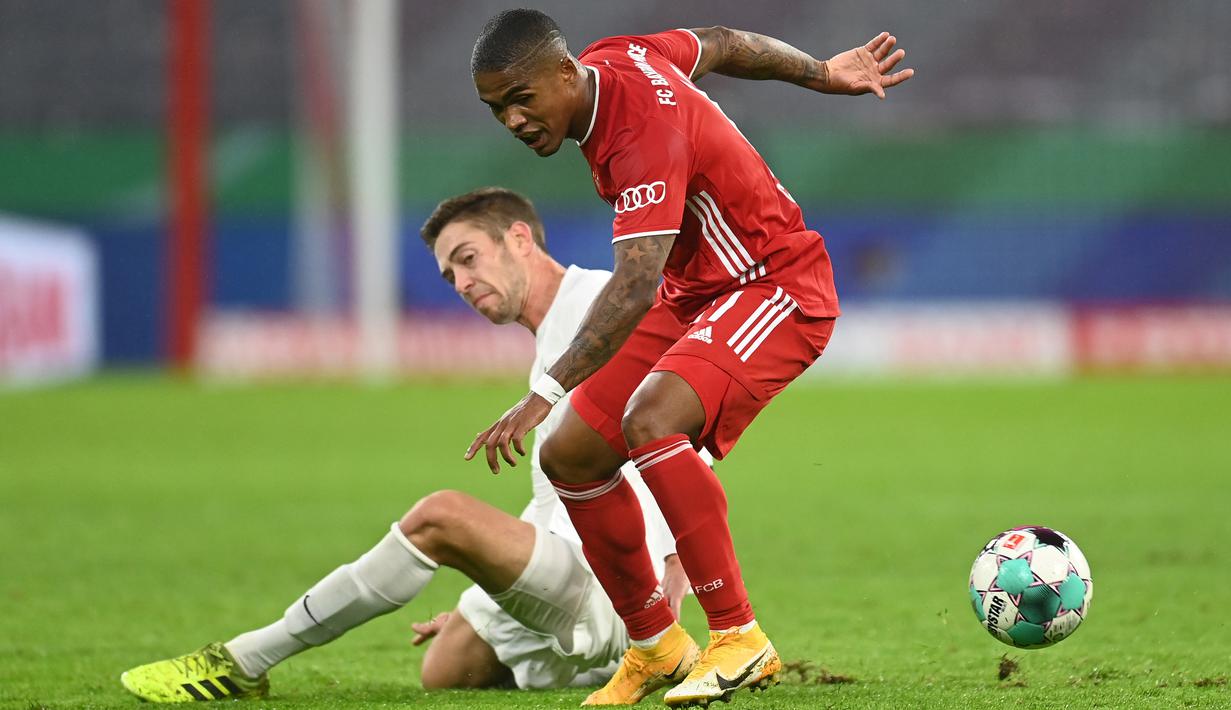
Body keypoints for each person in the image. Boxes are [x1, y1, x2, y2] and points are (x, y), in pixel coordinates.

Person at [466, 10, 913, 707]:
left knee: (652, 420)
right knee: (571, 456)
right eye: (498, 109)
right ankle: (656, 646)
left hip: (772, 284)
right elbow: (727, 45)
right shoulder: (618, 54)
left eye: (521, 99)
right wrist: (821, 73)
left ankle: (738, 637)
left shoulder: (638, 134)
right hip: (695, 291)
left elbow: (634, 283)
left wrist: (545, 390)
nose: (513, 121)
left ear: (564, 73)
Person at [119, 188, 699, 702]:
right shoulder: (553, 340)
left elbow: (681, 419)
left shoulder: (605, 304)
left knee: (440, 517)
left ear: (520, 239)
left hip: (618, 580)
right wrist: (506, 580)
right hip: (575, 563)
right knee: (444, 670)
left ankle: (244, 659)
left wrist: (677, 564)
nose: (462, 283)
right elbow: (561, 495)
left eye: (468, 259)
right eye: (450, 276)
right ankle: (612, 661)